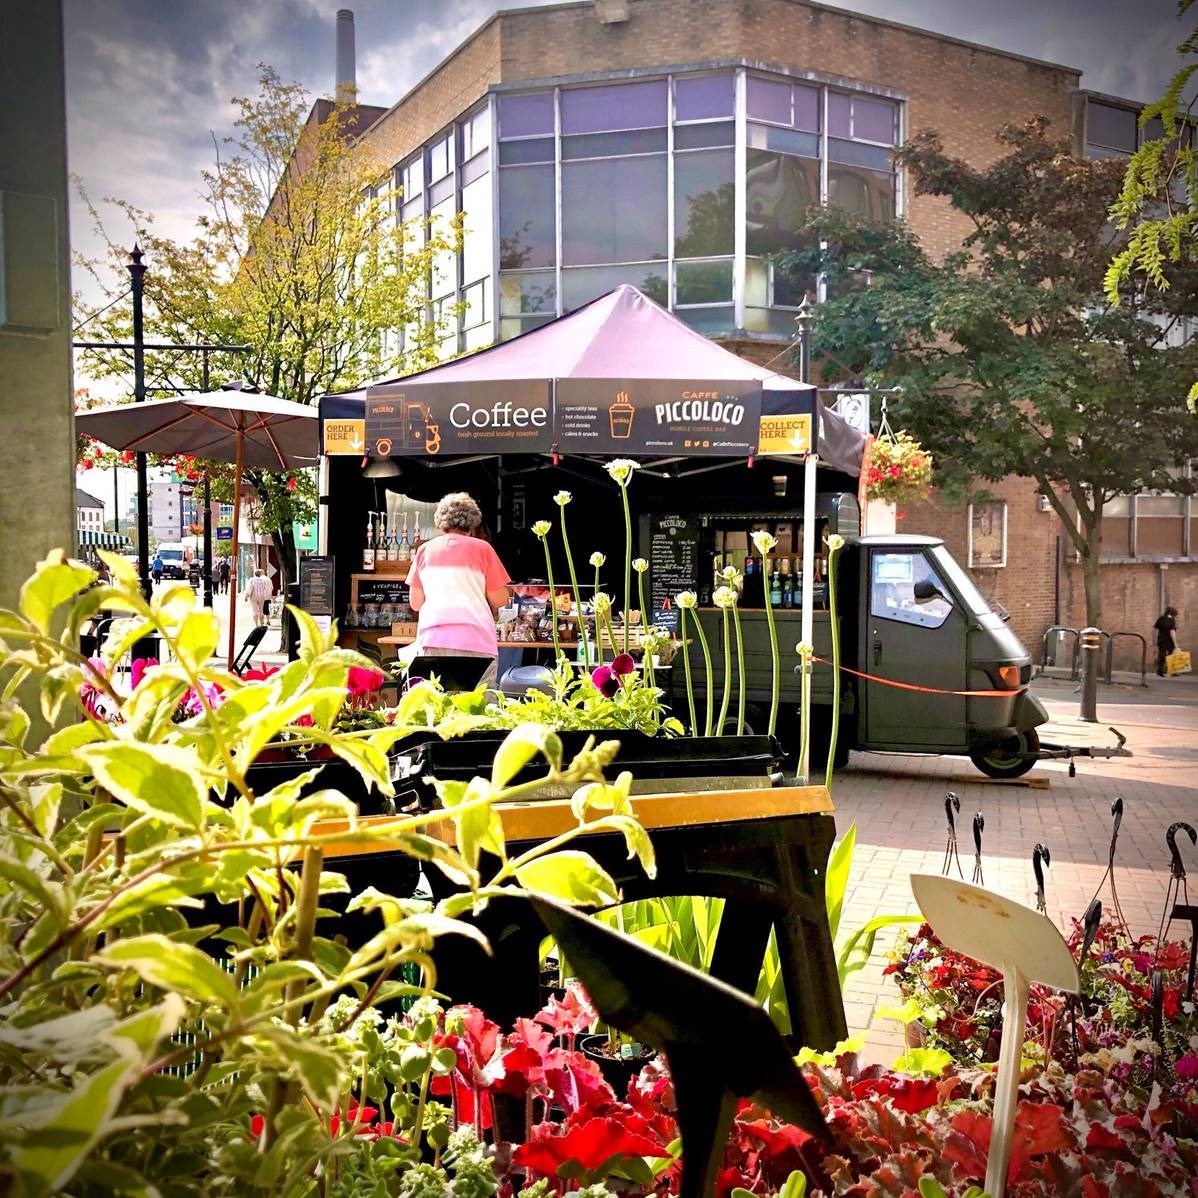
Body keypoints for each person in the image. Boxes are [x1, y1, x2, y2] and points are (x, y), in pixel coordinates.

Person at [405, 492, 511, 689]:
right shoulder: (483, 549)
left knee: (436, 707)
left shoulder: (425, 550)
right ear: (472, 524)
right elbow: (500, 599)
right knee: (479, 707)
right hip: (477, 639)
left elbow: (415, 603)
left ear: (440, 522)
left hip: (433, 640)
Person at [1154, 605, 1179, 677]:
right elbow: (1172, 631)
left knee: (1161, 655)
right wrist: (1175, 642)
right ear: (1173, 614)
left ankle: (1160, 670)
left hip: (1161, 639)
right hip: (1169, 640)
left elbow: (1156, 628)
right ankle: (1172, 671)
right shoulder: (1172, 620)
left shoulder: (1161, 618)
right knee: (1171, 655)